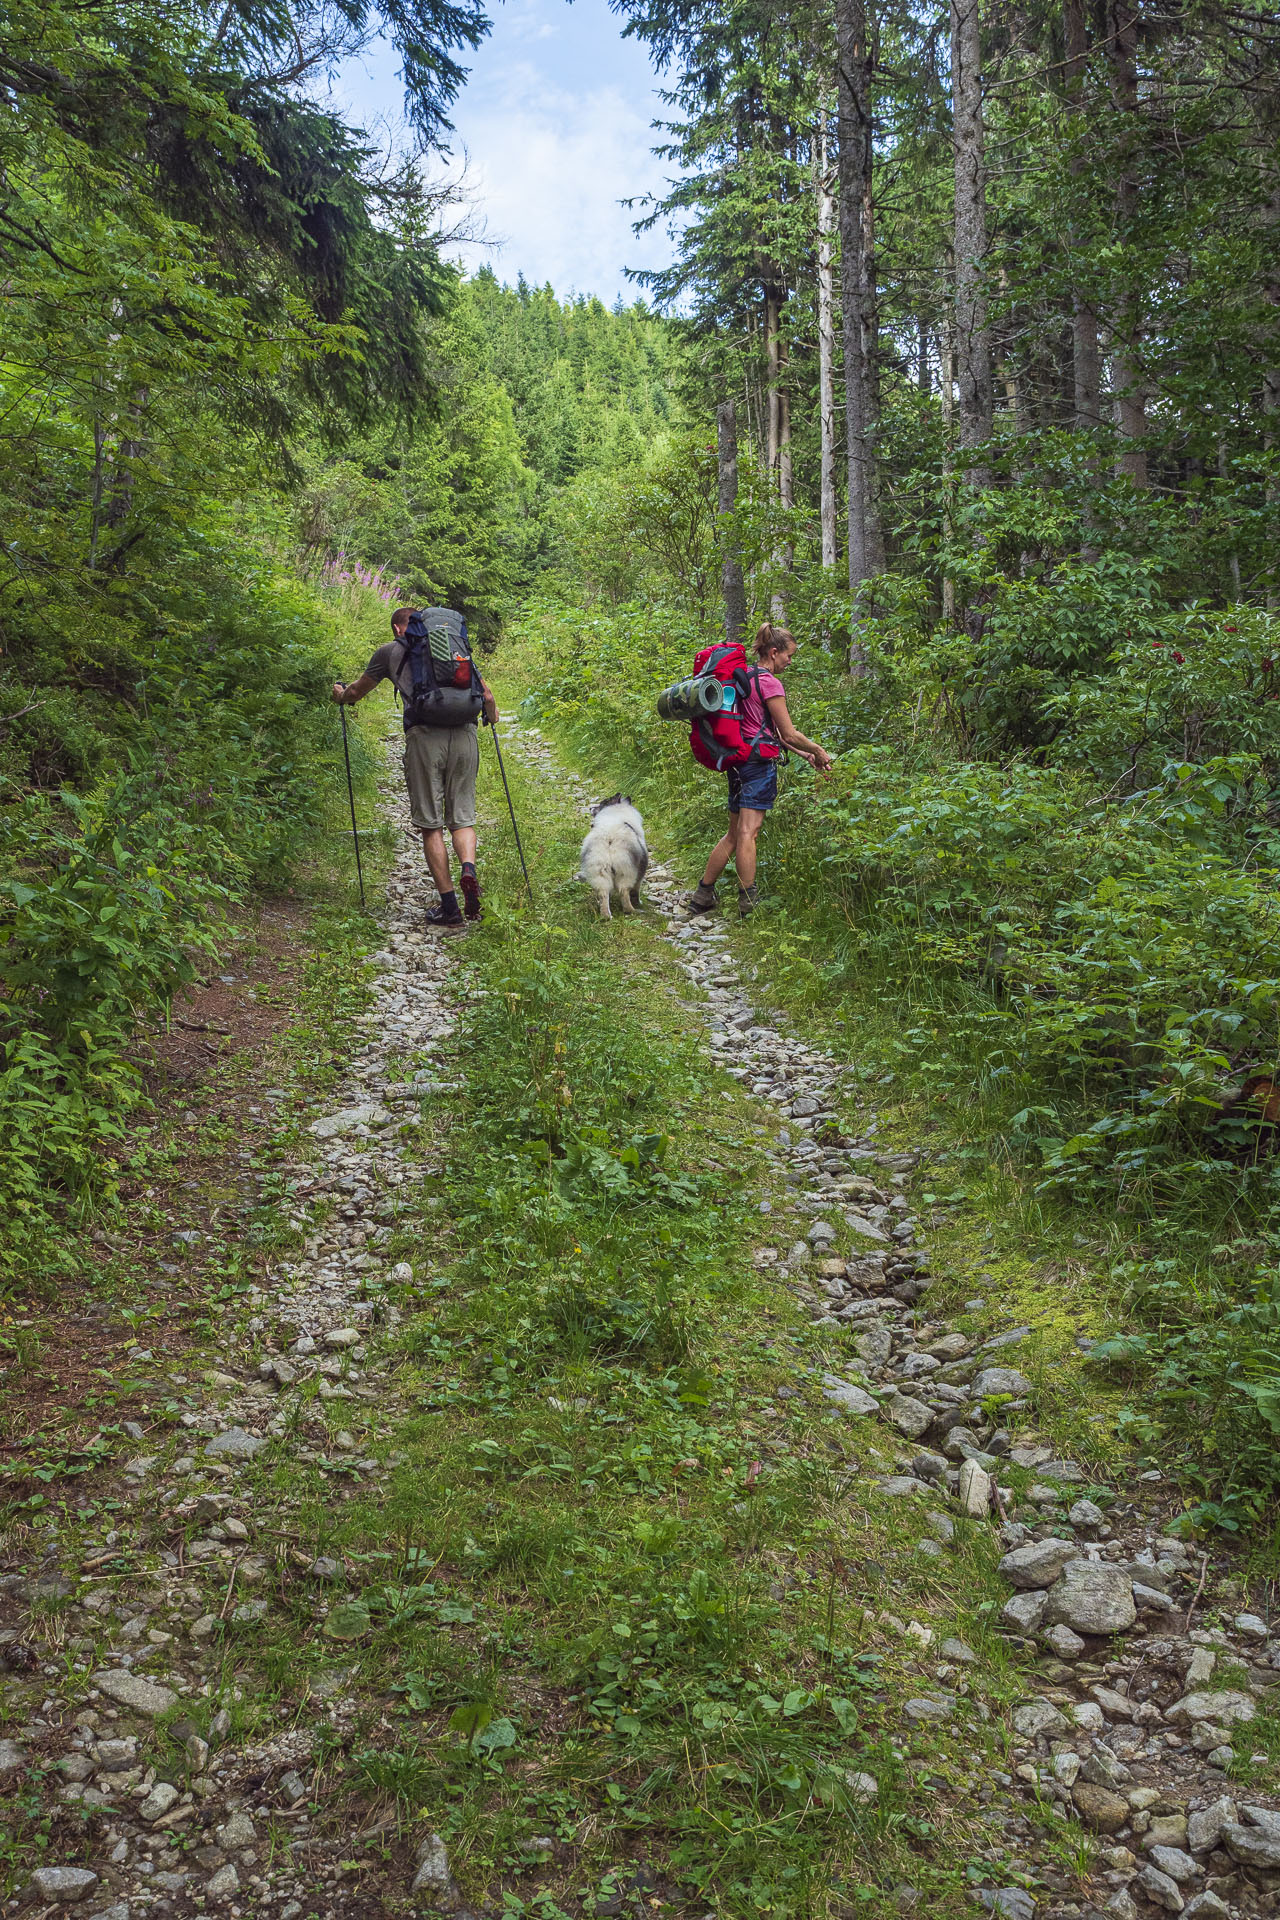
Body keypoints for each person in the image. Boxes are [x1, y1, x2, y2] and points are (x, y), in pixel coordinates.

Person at [333, 606, 497, 929]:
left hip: (424, 738)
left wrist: (340, 696)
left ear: (398, 629)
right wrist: (491, 719)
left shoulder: (390, 652)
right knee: (462, 818)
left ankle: (450, 908)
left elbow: (357, 691)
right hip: (465, 734)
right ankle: (469, 869)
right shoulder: (453, 647)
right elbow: (487, 696)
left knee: (431, 824)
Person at [684, 622, 832, 918]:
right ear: (774, 652)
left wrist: (803, 755)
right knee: (748, 833)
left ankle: (702, 896)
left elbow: (764, 730)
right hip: (758, 767)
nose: (790, 661)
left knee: (734, 834)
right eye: (789, 655)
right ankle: (748, 905)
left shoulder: (744, 677)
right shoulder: (770, 683)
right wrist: (817, 749)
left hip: (738, 762)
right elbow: (787, 733)